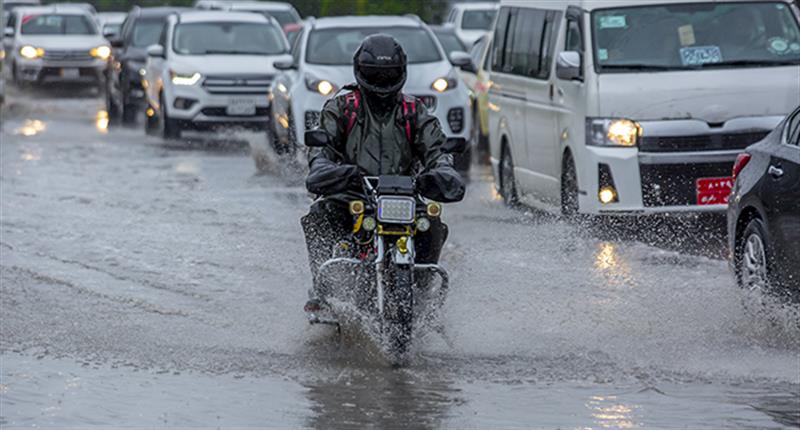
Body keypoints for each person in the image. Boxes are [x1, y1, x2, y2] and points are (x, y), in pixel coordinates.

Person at [301, 34, 465, 313]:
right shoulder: (342, 107)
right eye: (374, 74)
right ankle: (322, 291)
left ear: (401, 73)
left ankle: (423, 294)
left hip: (404, 196)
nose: (381, 81)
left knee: (432, 224)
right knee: (319, 216)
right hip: (351, 194)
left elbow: (437, 150)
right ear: (360, 71)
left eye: (387, 74)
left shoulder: (415, 111)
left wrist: (441, 171)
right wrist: (329, 170)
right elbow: (321, 150)